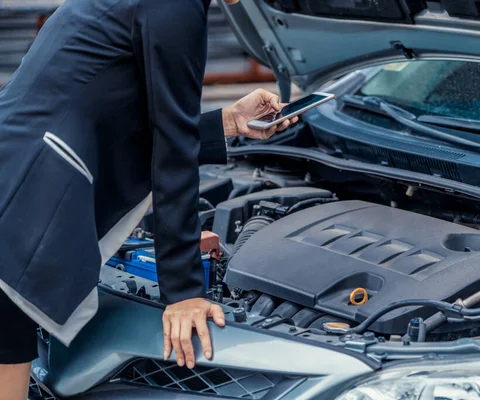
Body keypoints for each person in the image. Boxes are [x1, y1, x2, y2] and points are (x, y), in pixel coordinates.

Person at [0, 0, 298, 398]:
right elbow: (172, 149)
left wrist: (227, 123)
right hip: (27, 197)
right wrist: (185, 294)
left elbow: (117, 109)